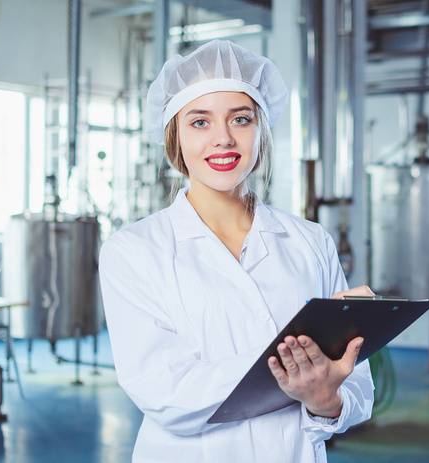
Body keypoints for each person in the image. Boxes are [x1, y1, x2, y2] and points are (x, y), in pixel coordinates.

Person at [98, 39, 374, 463]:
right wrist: (295, 369)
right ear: (175, 135)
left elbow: (356, 386)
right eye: (200, 122)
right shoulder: (133, 251)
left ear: (261, 128)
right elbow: (165, 395)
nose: (223, 139)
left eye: (240, 119)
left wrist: (325, 401)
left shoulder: (310, 241)